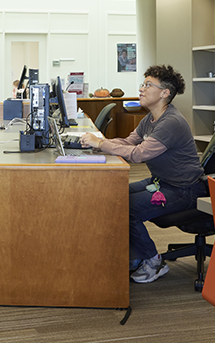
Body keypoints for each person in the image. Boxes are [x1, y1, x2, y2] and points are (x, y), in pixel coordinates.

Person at [81, 65, 206, 284]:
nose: (141, 89)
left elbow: (138, 154)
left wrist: (102, 143)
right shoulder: (150, 119)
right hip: (161, 182)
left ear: (165, 93)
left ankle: (153, 261)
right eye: (143, 84)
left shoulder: (171, 123)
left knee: (126, 208)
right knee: (114, 194)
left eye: (148, 85)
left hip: (184, 190)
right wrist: (99, 146)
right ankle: (135, 256)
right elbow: (129, 142)